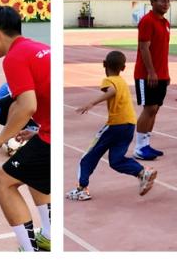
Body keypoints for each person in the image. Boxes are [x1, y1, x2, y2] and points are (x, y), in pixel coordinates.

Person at [0, 5, 52, 253]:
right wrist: (38, 129)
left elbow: (26, 106)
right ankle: (49, 236)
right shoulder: (39, 47)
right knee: (33, 174)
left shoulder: (15, 57)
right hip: (50, 131)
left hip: (52, 136)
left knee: (2, 182)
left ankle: (30, 251)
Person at [67, 50, 157, 201]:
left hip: (115, 125)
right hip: (129, 125)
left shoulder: (109, 80)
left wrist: (91, 103)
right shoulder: (122, 81)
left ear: (104, 64)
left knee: (88, 157)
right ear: (123, 68)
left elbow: (112, 91)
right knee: (116, 161)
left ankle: (82, 189)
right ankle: (142, 172)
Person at [134, 0, 171, 160]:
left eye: (168, 1)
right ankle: (139, 148)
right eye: (162, 0)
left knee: (155, 109)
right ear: (152, 1)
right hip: (146, 74)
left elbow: (162, 51)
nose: (166, 4)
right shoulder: (147, 21)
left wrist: (165, 74)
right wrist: (151, 72)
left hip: (161, 74)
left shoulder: (165, 23)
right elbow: (144, 47)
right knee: (149, 108)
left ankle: (146, 144)